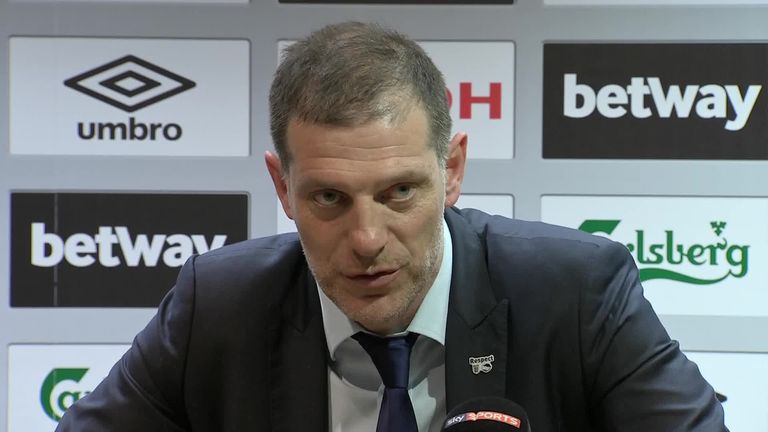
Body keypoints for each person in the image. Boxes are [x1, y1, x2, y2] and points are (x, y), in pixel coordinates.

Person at [57, 21, 726, 431]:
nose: (367, 238)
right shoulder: (219, 307)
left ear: (452, 170)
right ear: (282, 187)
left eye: (399, 192)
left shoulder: (577, 292)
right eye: (329, 198)